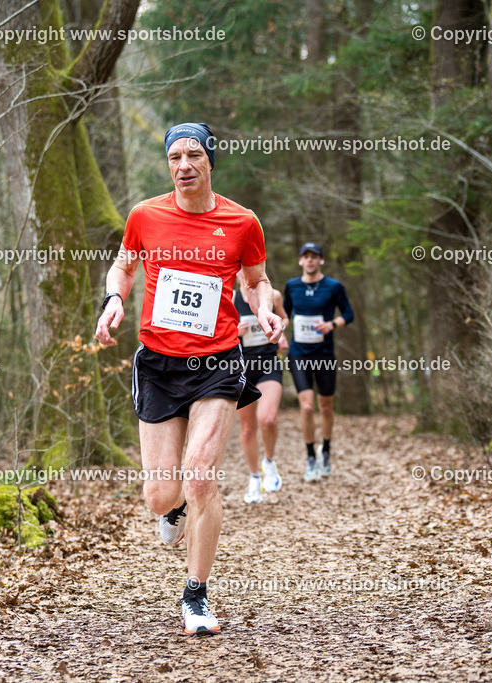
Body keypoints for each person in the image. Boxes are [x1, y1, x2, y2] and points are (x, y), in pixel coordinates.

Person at [95, 122, 282, 636]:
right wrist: (114, 299)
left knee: (200, 476)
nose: (183, 165)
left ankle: (195, 595)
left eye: (194, 155)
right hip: (158, 364)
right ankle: (172, 507)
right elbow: (123, 268)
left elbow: (256, 280)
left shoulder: (242, 222)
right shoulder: (145, 215)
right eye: (175, 156)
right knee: (160, 495)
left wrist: (264, 310)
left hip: (217, 363)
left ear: (210, 161)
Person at [283, 242, 354, 482]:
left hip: (324, 355)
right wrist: (279, 333)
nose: (310, 261)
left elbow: (348, 314)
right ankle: (310, 455)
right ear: (300, 261)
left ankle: (326, 449)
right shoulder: (292, 286)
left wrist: (332, 324)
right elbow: (285, 315)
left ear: (321, 260)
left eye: (314, 257)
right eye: (306, 257)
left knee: (325, 406)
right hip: (298, 353)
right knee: (306, 406)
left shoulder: (334, 286)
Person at [234, 270, 289, 503]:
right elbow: (216, 330)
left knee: (267, 418)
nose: (243, 272)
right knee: (247, 429)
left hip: (268, 363)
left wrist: (281, 332)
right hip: (240, 367)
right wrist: (234, 331)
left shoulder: (273, 295)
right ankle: (254, 477)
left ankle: (269, 462)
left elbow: (284, 318)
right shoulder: (228, 298)